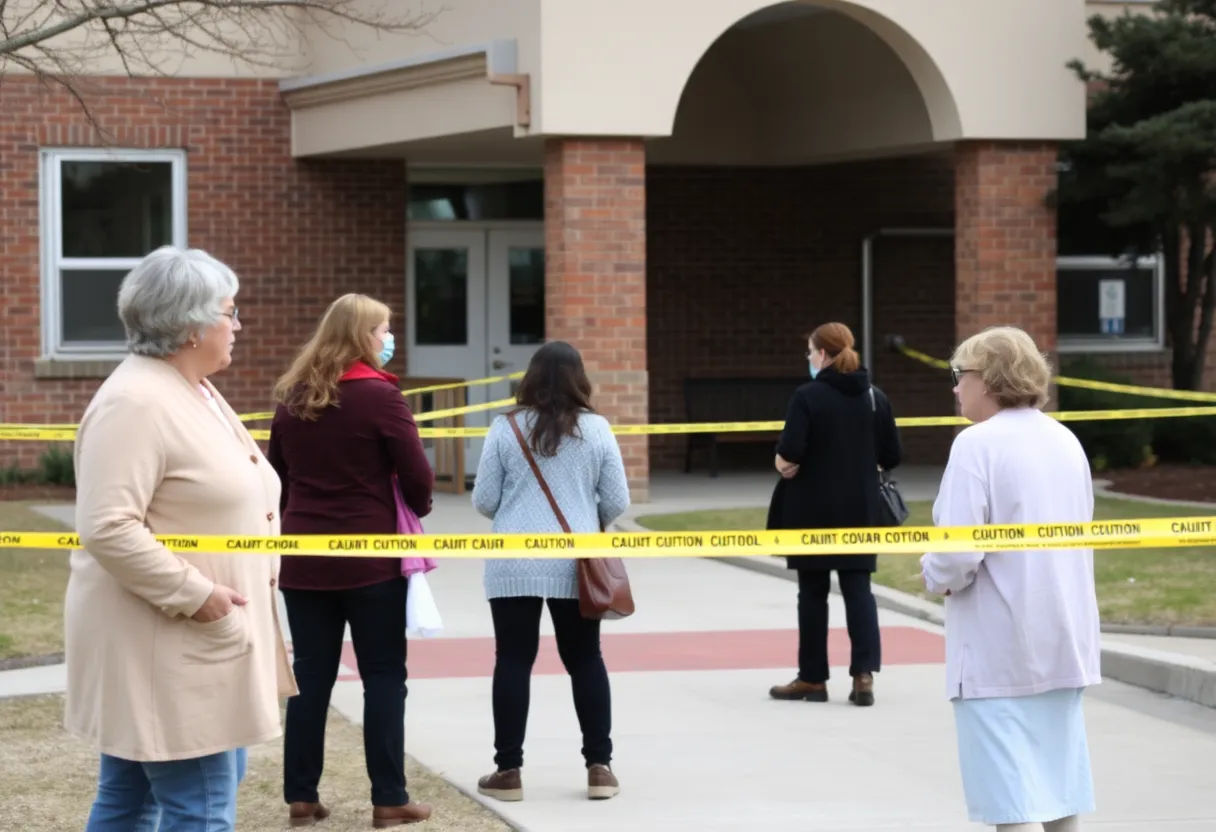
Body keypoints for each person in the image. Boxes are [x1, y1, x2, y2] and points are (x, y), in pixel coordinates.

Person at [67, 245, 297, 832]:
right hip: (169, 641)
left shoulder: (189, 388)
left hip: (184, 645)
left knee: (130, 801)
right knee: (200, 807)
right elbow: (108, 526)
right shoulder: (136, 402)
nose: (238, 325)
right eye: (229, 312)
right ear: (191, 326)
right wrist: (199, 597)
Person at [920, 326, 1100, 832]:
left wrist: (932, 575)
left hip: (997, 646)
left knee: (1011, 800)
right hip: (1064, 634)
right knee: (1059, 788)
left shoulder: (977, 445)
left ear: (989, 379)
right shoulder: (1064, 439)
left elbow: (956, 554)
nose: (955, 387)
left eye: (961, 375)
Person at [267, 293, 435, 828]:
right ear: (364, 335)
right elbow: (419, 477)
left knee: (310, 677)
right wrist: (415, 506)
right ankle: (388, 797)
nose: (390, 339)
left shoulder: (293, 395)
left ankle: (301, 795)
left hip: (304, 557)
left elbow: (277, 476)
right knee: (383, 674)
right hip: (371, 559)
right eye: (385, 329)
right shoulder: (381, 397)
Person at [471, 341, 630, 803]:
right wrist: (586, 513)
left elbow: (483, 499)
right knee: (585, 660)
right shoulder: (597, 429)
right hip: (576, 560)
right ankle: (600, 767)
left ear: (531, 377)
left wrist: (519, 510)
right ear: (580, 379)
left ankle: (508, 771)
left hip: (513, 561)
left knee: (513, 660)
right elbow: (617, 498)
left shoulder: (505, 429)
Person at [767, 322, 902, 706]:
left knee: (812, 593)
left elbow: (791, 450)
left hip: (810, 509)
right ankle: (863, 676)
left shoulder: (807, 396)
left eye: (811, 351)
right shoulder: (874, 396)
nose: (809, 358)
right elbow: (892, 454)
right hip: (860, 508)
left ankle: (812, 678)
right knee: (859, 590)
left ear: (823, 355)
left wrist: (781, 460)